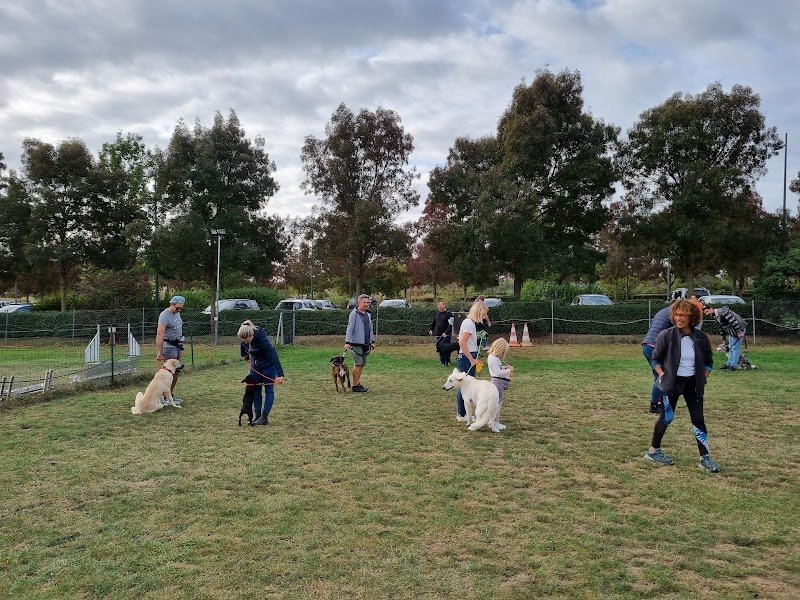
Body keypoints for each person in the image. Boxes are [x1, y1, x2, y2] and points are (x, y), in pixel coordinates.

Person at [645, 299, 720, 473]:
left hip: (693, 385)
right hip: (671, 384)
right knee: (666, 417)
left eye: (683, 315)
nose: (679, 318)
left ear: (691, 317)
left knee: (698, 419)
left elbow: (709, 361)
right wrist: (662, 374)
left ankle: (705, 458)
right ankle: (653, 451)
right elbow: (655, 358)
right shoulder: (666, 335)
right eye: (676, 315)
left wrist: (704, 375)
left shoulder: (701, 337)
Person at [237, 320, 285, 425]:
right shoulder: (245, 337)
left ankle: (264, 417)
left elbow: (273, 355)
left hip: (268, 365)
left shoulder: (262, 338)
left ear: (252, 335)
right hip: (256, 365)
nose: (247, 343)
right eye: (244, 341)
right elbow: (243, 346)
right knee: (255, 389)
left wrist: (280, 374)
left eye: (248, 340)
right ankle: (257, 415)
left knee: (269, 390)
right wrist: (245, 356)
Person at [454, 300, 486, 422]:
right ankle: (462, 415)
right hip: (467, 358)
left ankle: (464, 414)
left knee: (466, 387)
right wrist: (471, 359)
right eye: (483, 315)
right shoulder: (469, 324)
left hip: (468, 356)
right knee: (466, 388)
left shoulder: (469, 323)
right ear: (478, 312)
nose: (483, 318)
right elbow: (461, 342)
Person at [641, 302, 674, 414]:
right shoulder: (674, 313)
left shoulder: (662, 312)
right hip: (655, 347)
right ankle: (655, 404)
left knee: (659, 376)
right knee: (662, 376)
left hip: (647, 345)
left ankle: (658, 403)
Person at [156, 295, 186, 405]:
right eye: (177, 308)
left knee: (176, 372)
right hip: (168, 348)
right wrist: (160, 352)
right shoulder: (164, 315)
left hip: (178, 347)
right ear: (171, 304)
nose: (179, 310)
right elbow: (160, 334)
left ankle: (170, 395)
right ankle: (163, 398)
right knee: (167, 375)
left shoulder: (177, 313)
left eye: (181, 308)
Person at [344, 294, 375, 392]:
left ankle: (357, 383)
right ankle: (355, 385)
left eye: (368, 303)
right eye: (364, 302)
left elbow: (370, 329)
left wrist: (372, 341)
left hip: (366, 343)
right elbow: (350, 328)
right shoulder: (354, 314)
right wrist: (347, 342)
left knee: (362, 364)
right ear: (359, 302)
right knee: (358, 363)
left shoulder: (368, 314)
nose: (366, 304)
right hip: (356, 343)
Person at [703, 303, 747, 371]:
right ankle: (729, 364)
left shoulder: (723, 312)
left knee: (735, 348)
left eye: (707, 311)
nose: (706, 314)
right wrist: (724, 339)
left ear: (711, 308)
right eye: (705, 313)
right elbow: (721, 329)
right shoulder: (717, 317)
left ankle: (733, 366)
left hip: (739, 329)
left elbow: (733, 321)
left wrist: (739, 332)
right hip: (732, 332)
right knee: (730, 348)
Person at [487, 337, 514, 431]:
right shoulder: (493, 359)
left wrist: (504, 367)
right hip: (497, 381)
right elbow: (497, 372)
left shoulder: (494, 358)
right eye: (503, 352)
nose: (503, 354)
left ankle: (495, 420)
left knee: (498, 402)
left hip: (497, 380)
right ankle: (495, 421)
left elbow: (497, 369)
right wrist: (508, 370)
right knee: (498, 402)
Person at [430, 301, 453, 366]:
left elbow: (450, 325)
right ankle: (442, 361)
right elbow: (434, 322)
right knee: (439, 348)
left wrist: (446, 333)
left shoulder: (449, 314)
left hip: (446, 335)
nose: (440, 309)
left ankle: (447, 361)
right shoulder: (436, 313)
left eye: (441, 307)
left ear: (444, 306)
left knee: (446, 348)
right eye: (439, 307)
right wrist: (431, 329)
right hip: (438, 334)